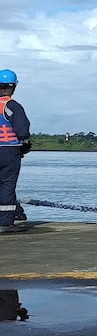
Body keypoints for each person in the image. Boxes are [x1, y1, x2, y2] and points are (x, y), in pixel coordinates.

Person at [0, 68, 32, 233]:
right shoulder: (12, 106)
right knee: (7, 184)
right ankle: (5, 223)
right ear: (13, 87)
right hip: (8, 151)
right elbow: (22, 131)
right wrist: (25, 144)